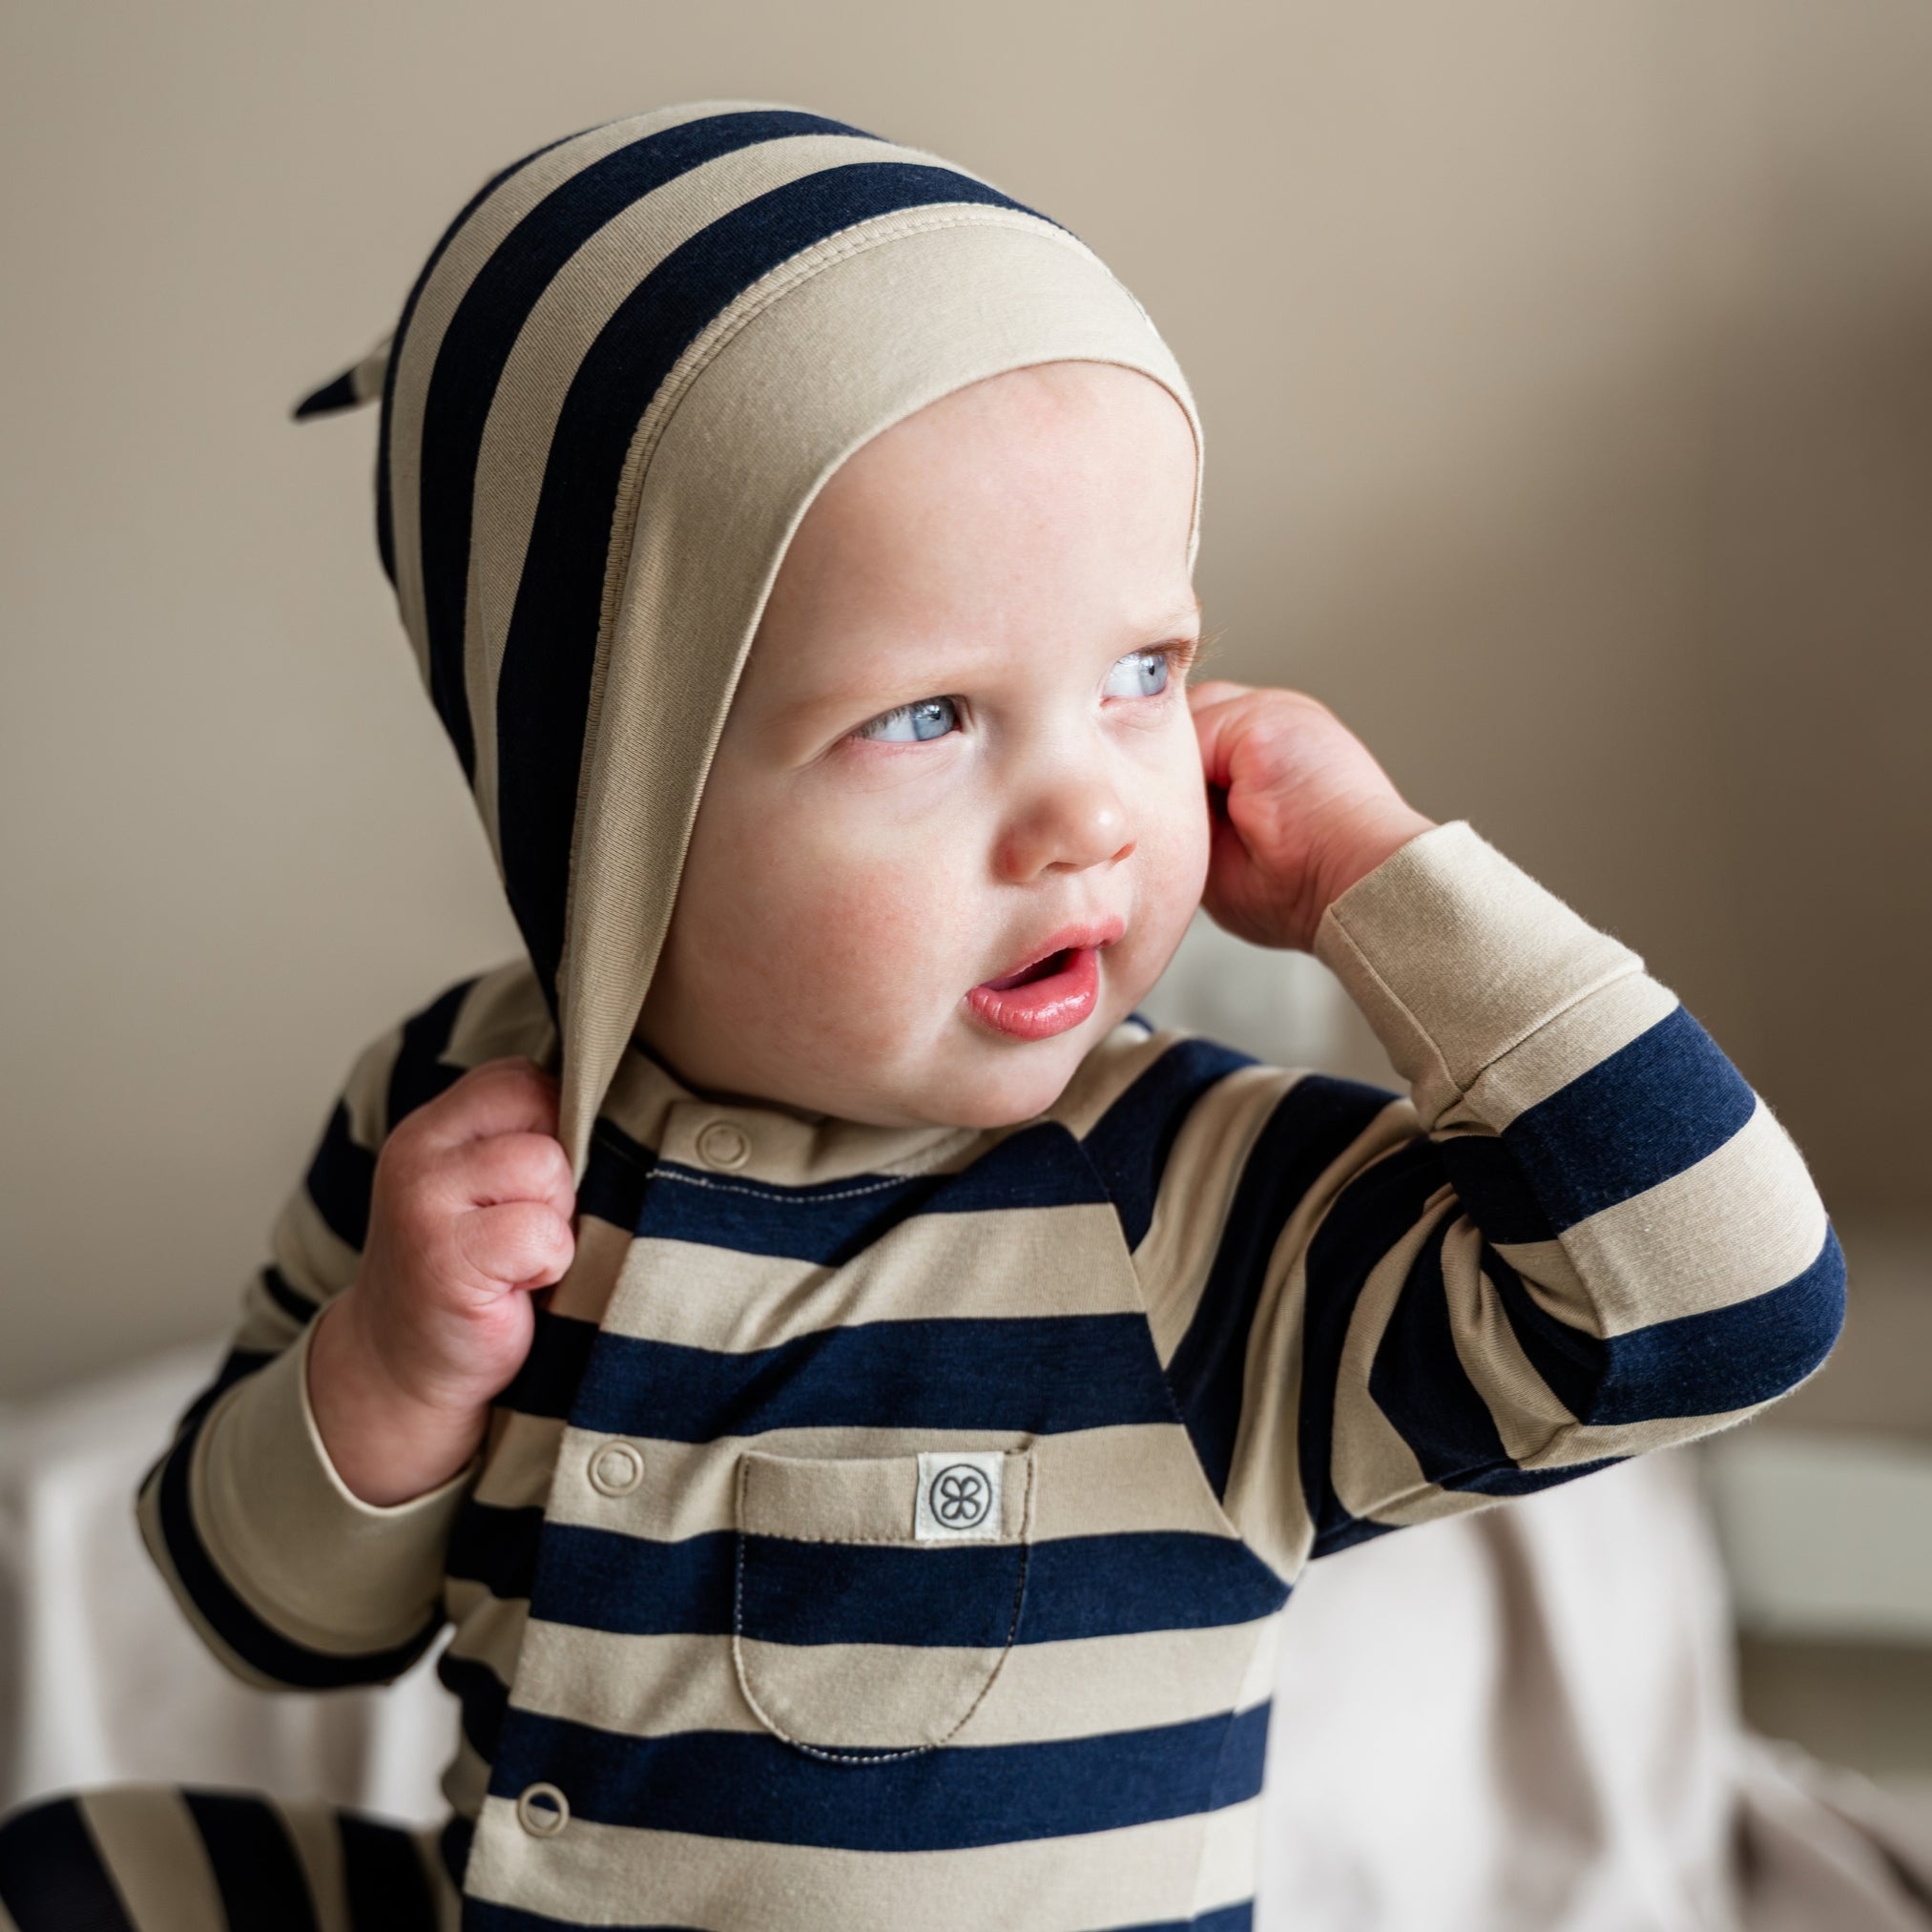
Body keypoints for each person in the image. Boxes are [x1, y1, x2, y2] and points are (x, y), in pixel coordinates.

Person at [0, 101, 1846, 1931]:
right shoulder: (453, 1114)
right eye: (931, 715)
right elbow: (259, 1616)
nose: (1093, 814)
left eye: (1143, 671)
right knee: (83, 1871)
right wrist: (389, 1372)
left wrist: (1382, 874)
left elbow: (1725, 1306)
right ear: (608, 794)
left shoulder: (1193, 1198)